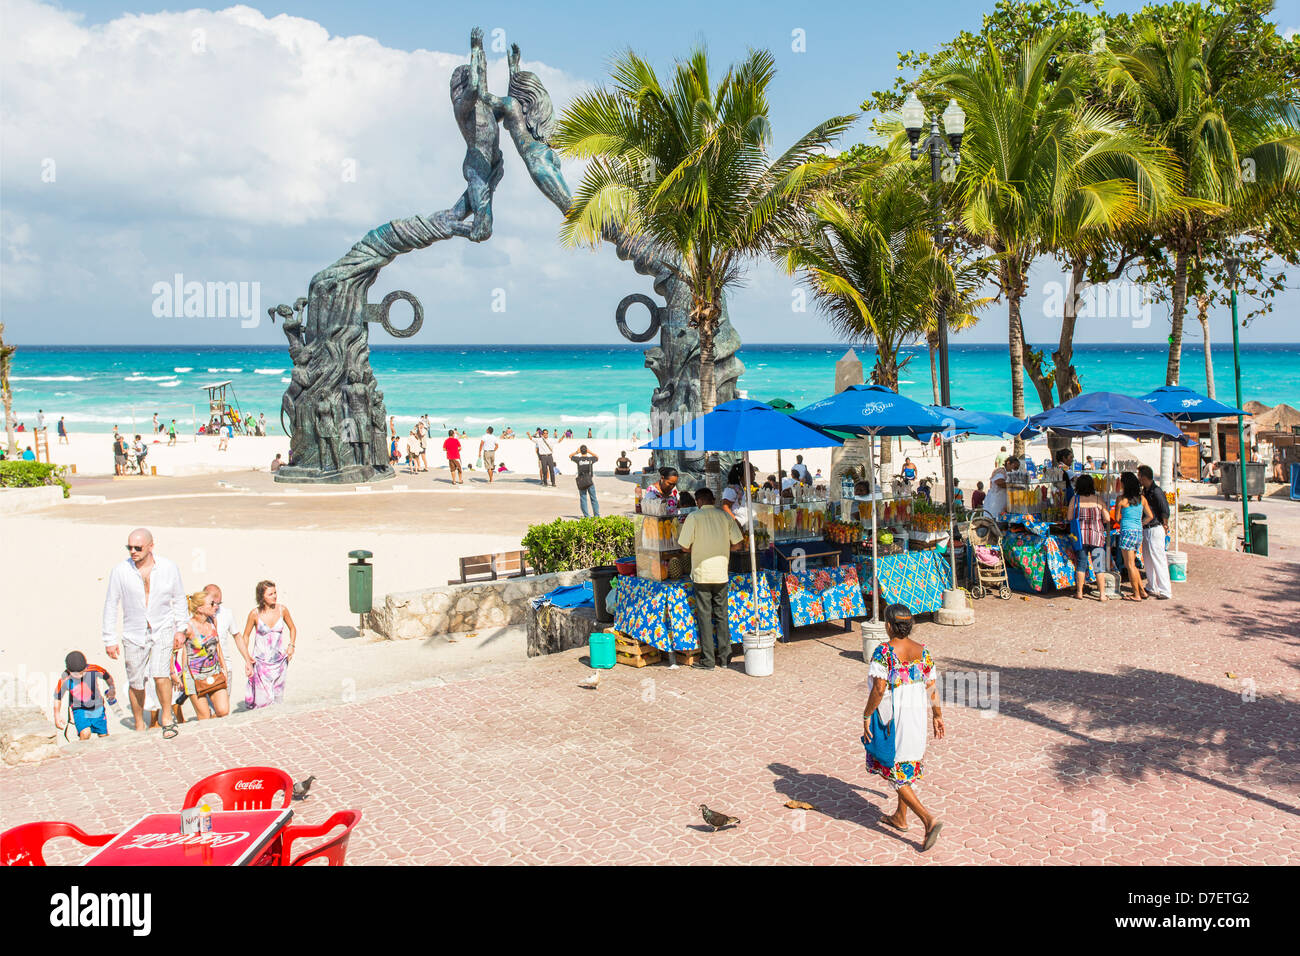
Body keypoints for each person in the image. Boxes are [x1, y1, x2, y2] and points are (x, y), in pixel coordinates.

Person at [863, 603, 945, 852]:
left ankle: (928, 820)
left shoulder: (884, 652)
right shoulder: (923, 651)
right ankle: (900, 816)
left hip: (892, 718)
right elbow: (931, 686)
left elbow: (878, 690)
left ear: (888, 626)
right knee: (905, 764)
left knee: (893, 770)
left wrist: (866, 715)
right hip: (917, 717)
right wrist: (937, 715)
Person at [101, 528, 190, 737]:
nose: (133, 551)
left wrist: (181, 629)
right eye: (129, 547)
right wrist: (109, 639)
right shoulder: (120, 571)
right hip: (134, 632)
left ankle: (167, 717)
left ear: (151, 546)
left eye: (138, 547)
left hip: (163, 627)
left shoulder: (168, 567)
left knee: (161, 674)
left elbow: (179, 598)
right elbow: (111, 605)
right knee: (136, 681)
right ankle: (140, 723)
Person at [676, 487, 743, 670]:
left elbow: (683, 546)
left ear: (698, 501)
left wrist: (698, 548)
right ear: (713, 499)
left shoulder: (694, 517)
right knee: (722, 615)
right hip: (721, 573)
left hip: (702, 574)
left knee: (704, 616)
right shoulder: (725, 517)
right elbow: (737, 545)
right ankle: (725, 657)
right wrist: (720, 548)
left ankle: (708, 660)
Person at [237, 580, 297, 709]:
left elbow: (292, 628)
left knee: (277, 699)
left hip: (280, 661)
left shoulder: (282, 610)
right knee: (263, 702)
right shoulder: (255, 614)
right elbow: (245, 635)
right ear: (261, 596)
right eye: (270, 594)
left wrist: (291, 645)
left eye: (275, 593)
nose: (274, 596)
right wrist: (247, 658)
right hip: (260, 663)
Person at [178, 591, 231, 719]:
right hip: (195, 677)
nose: (216, 606)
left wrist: (224, 669)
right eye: (212, 604)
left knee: (223, 711)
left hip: (214, 672)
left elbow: (218, 646)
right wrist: (178, 673)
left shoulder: (212, 621)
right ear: (200, 609)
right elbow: (179, 649)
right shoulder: (188, 628)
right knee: (204, 718)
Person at [53, 651, 117, 741]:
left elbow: (107, 677)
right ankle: (82, 751)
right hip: (79, 709)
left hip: (98, 707)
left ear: (86, 667)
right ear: (69, 670)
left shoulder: (93, 669)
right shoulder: (65, 678)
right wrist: (57, 715)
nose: (79, 676)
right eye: (75, 674)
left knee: (103, 735)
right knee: (85, 733)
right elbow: (57, 697)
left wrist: (112, 688)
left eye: (82, 673)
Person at [1068, 474, 1109, 602]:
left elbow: (1069, 517)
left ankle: (1079, 592)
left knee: (1081, 563)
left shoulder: (1075, 500)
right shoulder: (1098, 500)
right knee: (1099, 565)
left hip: (1081, 537)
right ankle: (1102, 594)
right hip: (1097, 536)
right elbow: (1107, 518)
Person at [203, 583, 245, 706]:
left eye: (219, 603)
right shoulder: (195, 618)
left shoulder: (226, 614)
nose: (216, 607)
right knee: (206, 712)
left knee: (222, 708)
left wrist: (247, 659)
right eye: (213, 603)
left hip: (224, 668)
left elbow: (237, 636)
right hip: (203, 671)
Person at [1114, 472, 1153, 601]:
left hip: (1127, 531)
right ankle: (1141, 591)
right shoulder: (1142, 499)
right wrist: (1140, 523)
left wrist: (1125, 521)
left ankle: (1136, 594)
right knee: (1133, 564)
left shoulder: (1121, 499)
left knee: (1129, 564)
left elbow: (1117, 518)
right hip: (1138, 532)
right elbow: (1150, 516)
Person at [1137, 465, 1171, 601]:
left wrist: (1165, 523)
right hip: (1147, 528)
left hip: (1155, 527)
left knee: (1158, 558)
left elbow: (1164, 508)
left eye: (1140, 476)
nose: (1139, 479)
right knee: (1149, 559)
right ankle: (1152, 586)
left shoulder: (1156, 491)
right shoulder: (1146, 491)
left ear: (1144, 477)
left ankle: (1165, 590)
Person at [569, 444, 599, 516]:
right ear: (586, 450)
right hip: (589, 481)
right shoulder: (590, 459)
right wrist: (589, 452)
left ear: (581, 451)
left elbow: (570, 456)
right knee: (593, 499)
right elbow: (597, 457)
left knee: (583, 498)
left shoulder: (578, 459)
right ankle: (596, 516)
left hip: (581, 481)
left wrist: (577, 452)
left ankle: (587, 516)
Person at [721, 461, 753, 527]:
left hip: (743, 527)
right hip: (736, 528)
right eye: (752, 472)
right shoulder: (731, 489)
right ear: (745, 474)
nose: (754, 475)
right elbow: (725, 507)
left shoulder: (741, 488)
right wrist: (736, 522)